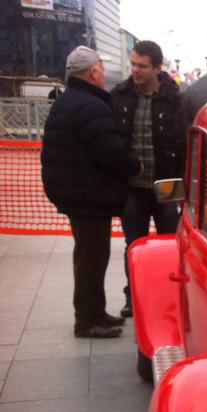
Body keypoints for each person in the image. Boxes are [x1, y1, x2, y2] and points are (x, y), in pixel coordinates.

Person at [41, 46, 141, 338]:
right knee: (91, 260)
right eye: (101, 68)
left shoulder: (70, 100)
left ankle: (95, 312)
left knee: (88, 256)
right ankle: (87, 321)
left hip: (77, 192)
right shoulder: (90, 105)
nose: (103, 73)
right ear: (93, 72)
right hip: (87, 195)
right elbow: (109, 152)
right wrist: (136, 166)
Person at [110, 39, 185, 318]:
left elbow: (183, 144)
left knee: (170, 247)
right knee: (134, 246)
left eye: (142, 66)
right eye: (133, 64)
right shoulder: (120, 96)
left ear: (157, 68)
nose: (135, 70)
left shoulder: (175, 99)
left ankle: (170, 297)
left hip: (167, 186)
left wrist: (185, 185)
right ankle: (133, 297)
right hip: (132, 189)